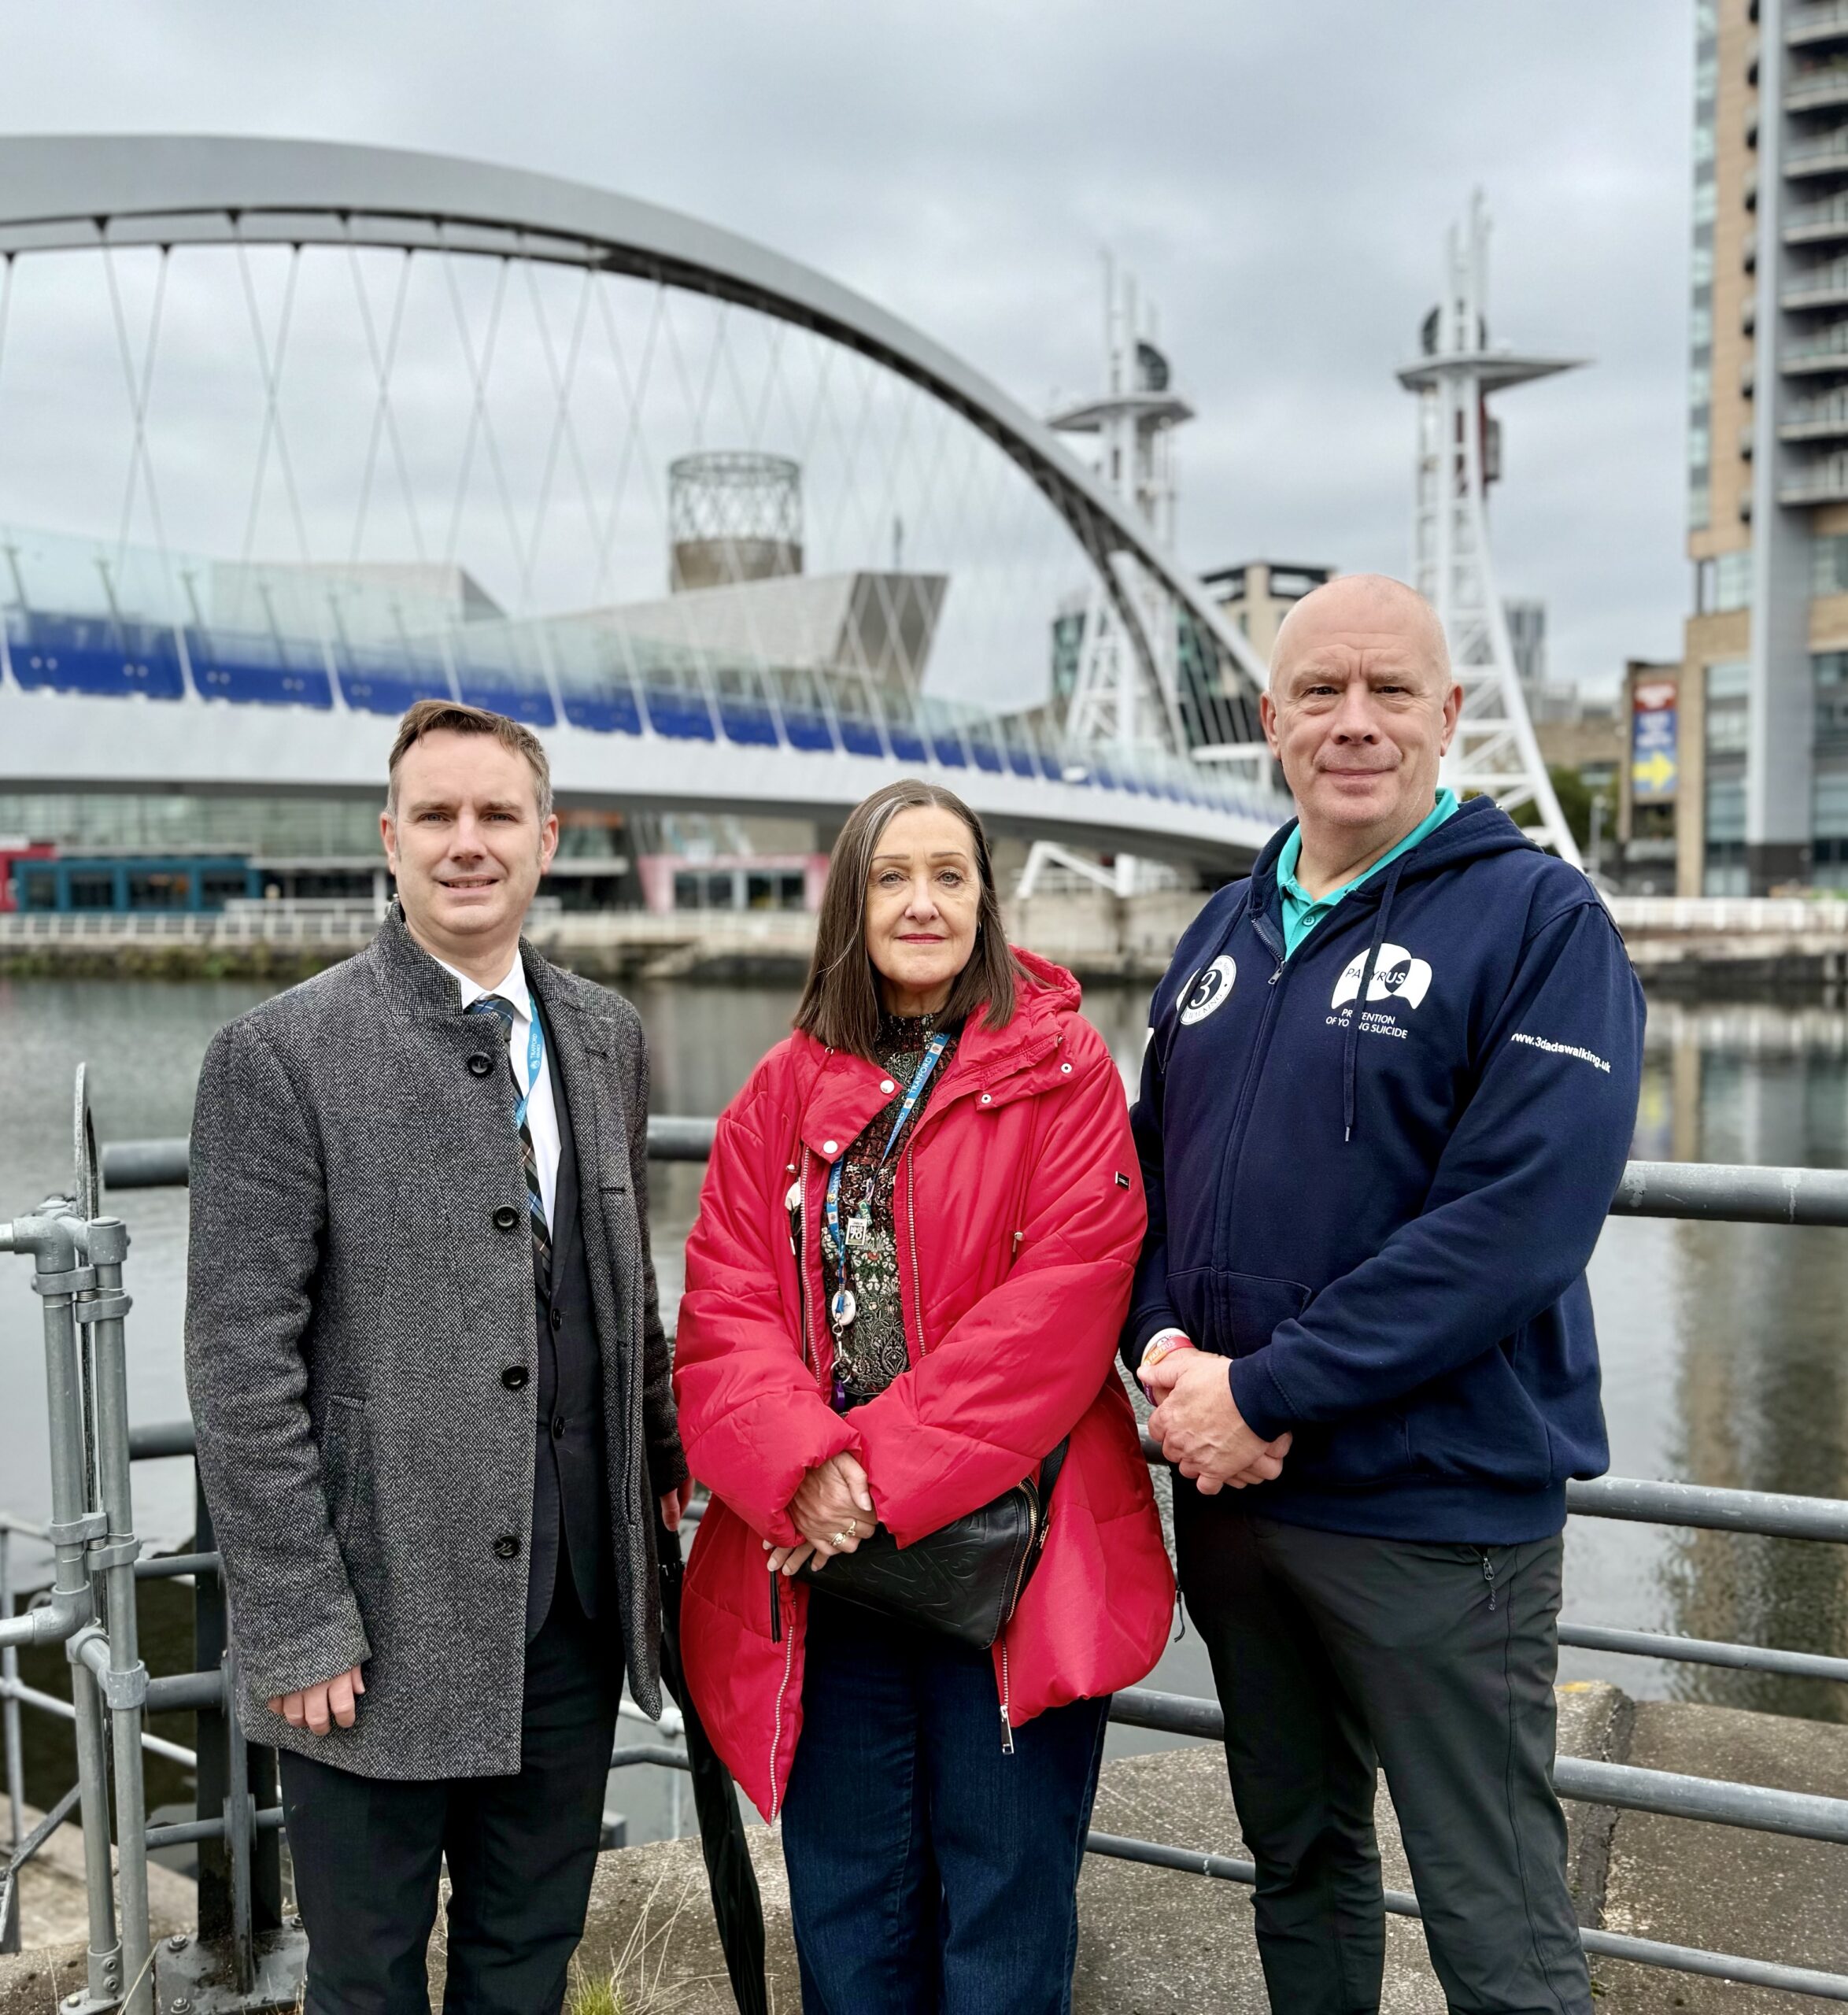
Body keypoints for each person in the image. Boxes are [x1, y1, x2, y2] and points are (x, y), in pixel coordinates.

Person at [1129, 575, 1644, 2015]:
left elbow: (1516, 1226)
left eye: (1390, 691)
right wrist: (1163, 1348)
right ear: (1271, 720)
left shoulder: (1541, 922)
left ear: (1448, 713)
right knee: (1299, 1867)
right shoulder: (1223, 931)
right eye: (1321, 692)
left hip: (1438, 1517)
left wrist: (1264, 1389)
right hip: (1238, 1504)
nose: (1354, 723)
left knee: (1497, 1921)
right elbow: (1143, 1178)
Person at [185, 699, 689, 2015]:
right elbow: (238, 1366)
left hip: (574, 1610)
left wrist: (664, 1471)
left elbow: (624, 1291)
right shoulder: (278, 1054)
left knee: (526, 1963)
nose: (470, 842)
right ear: (390, 839)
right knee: (365, 1980)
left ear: (547, 839)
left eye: (498, 815)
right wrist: (298, 1620)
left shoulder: (604, 1035)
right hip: (374, 1620)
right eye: (438, 816)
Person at [673, 778, 1173, 2015]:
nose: (922, 903)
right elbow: (724, 1304)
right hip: (830, 1578)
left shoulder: (1064, 1072)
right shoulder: (783, 1087)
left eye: (950, 876)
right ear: (851, 902)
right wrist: (801, 1466)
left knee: (1005, 1921)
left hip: (1011, 1565)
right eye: (892, 877)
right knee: (849, 1920)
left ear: (987, 902)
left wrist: (867, 1481)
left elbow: (1062, 1310)